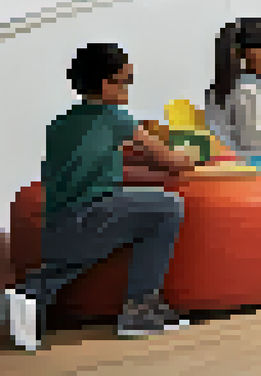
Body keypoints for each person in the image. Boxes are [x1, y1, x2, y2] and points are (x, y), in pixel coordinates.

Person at [7, 44, 195, 351]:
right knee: (167, 207)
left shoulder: (60, 124)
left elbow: (85, 161)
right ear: (107, 84)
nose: (129, 89)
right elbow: (169, 161)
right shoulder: (115, 117)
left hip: (56, 228)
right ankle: (140, 311)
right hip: (89, 218)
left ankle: (28, 295)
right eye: (126, 81)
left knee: (71, 263)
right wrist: (189, 156)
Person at [204, 17, 261, 157]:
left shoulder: (217, 88)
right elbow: (256, 144)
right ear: (250, 52)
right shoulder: (247, 90)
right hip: (241, 166)